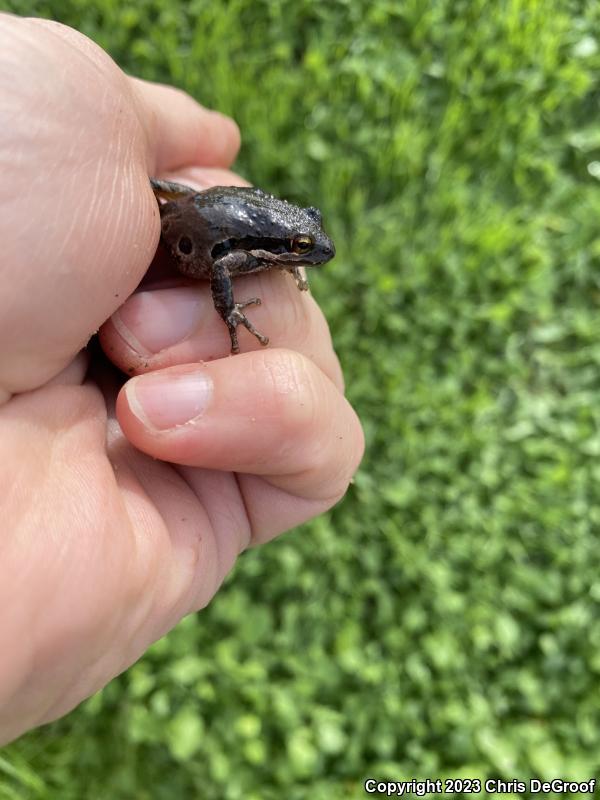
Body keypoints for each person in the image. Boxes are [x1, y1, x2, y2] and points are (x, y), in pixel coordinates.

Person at [0, 14, 364, 744]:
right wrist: (231, 319)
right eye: (300, 247)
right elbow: (226, 265)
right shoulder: (238, 253)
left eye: (304, 239)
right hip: (194, 237)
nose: (313, 251)